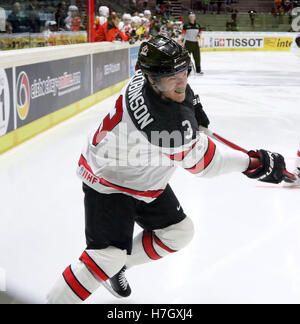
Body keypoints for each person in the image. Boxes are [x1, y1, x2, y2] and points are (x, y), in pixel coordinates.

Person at [47, 35, 286, 304]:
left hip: (141, 172)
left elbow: (180, 88)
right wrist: (253, 163)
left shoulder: (150, 79)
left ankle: (119, 268)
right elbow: (204, 165)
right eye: (172, 76)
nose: (181, 80)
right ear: (151, 78)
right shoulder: (164, 125)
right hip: (110, 179)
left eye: (184, 71)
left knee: (177, 233)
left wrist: (195, 109)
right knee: (106, 257)